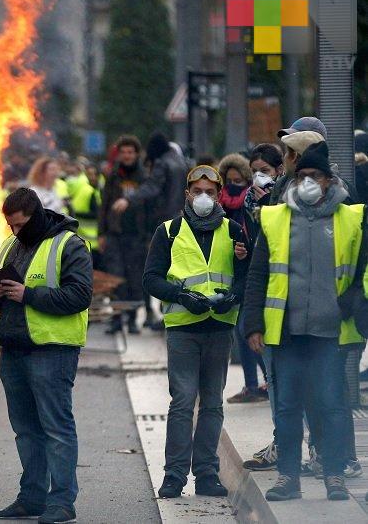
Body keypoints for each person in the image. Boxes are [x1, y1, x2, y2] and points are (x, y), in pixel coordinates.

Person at [244, 141, 362, 502]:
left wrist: (354, 303)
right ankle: (288, 478)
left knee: (332, 404)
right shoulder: (276, 218)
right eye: (302, 176)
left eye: (315, 176)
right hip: (288, 331)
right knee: (289, 406)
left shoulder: (351, 218)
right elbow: (258, 274)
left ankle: (334, 476)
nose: (308, 182)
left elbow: (361, 271)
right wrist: (252, 325)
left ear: (329, 180)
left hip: (331, 331)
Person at [0, 188, 92, 524]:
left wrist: (27, 295)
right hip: (15, 347)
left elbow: (79, 295)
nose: (15, 232)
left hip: (52, 350)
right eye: (10, 226)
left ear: (37, 215)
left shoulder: (69, 244)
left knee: (56, 428)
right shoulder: (9, 245)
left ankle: (61, 502)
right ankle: (31, 497)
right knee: (26, 430)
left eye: (20, 225)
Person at [143, 165, 249, 499]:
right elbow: (151, 278)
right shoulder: (169, 232)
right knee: (183, 401)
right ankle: (174, 475)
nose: (203, 197)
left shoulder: (234, 232)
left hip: (219, 328)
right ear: (187, 193)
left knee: (213, 403)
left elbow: (248, 277)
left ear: (219, 195)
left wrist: (234, 295)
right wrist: (180, 295)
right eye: (197, 191)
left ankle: (206, 475)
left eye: (209, 192)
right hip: (183, 330)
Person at [216, 153, 268, 404]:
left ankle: (269, 379)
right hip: (231, 268)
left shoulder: (252, 200)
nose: (233, 184)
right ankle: (252, 385)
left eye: (239, 179)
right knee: (240, 331)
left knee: (247, 327)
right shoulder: (220, 203)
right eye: (229, 180)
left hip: (251, 268)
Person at [99, 135, 147, 335]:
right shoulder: (113, 176)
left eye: (130, 152)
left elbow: (149, 206)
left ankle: (134, 318)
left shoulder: (144, 177)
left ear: (136, 154)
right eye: (123, 152)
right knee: (115, 278)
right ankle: (117, 318)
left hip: (136, 235)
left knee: (135, 278)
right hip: (115, 235)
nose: (127, 156)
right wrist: (101, 233)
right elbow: (104, 206)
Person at [112, 131, 189, 228]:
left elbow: (152, 187)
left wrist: (128, 199)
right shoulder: (181, 162)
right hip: (180, 214)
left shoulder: (162, 163)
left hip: (164, 216)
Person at [67, 158, 102, 268]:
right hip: (90, 241)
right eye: (89, 174)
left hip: (89, 239)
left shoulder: (96, 190)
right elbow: (97, 214)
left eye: (93, 174)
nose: (91, 177)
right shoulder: (89, 191)